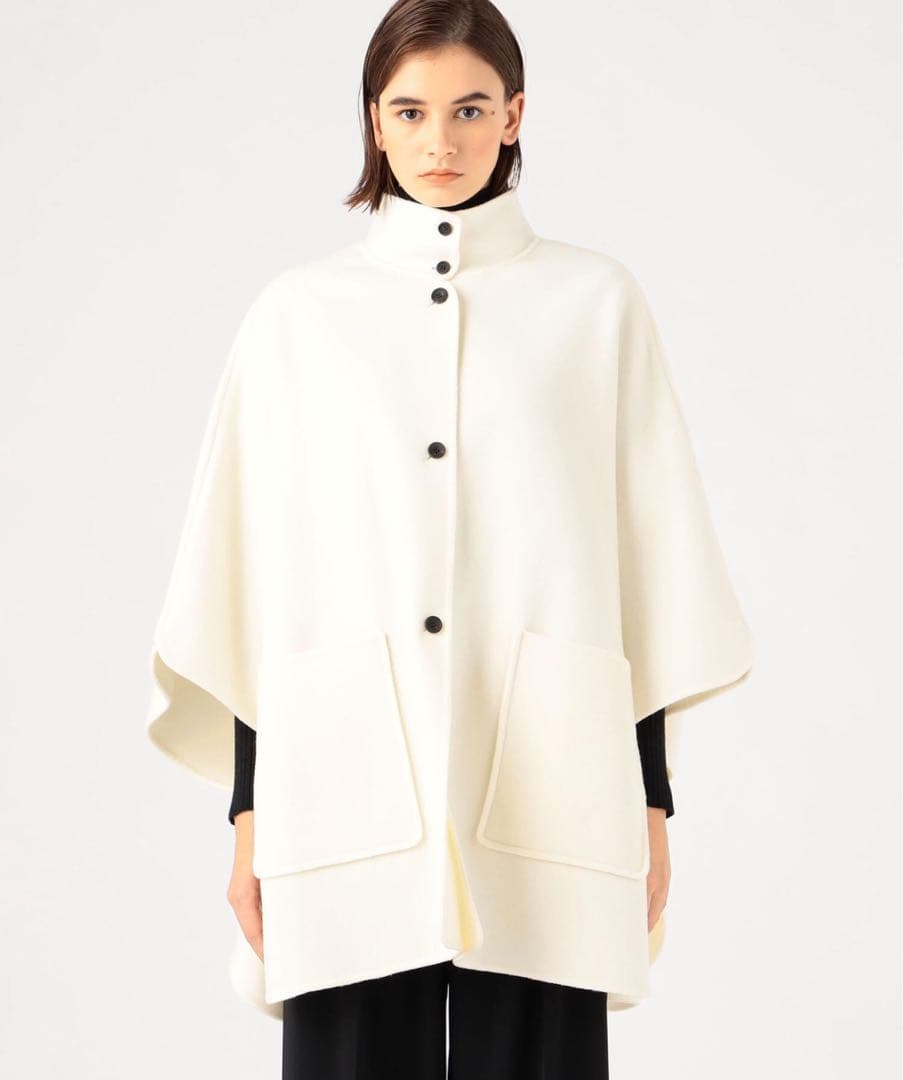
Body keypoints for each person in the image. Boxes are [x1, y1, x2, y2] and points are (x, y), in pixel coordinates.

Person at [145, 1, 753, 1076]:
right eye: (410, 111)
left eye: (470, 110)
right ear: (373, 121)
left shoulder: (595, 305)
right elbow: (252, 584)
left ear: (514, 116)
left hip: (552, 767)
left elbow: (645, 571)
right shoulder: (298, 318)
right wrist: (250, 815)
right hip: (337, 769)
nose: (440, 141)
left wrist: (650, 799)